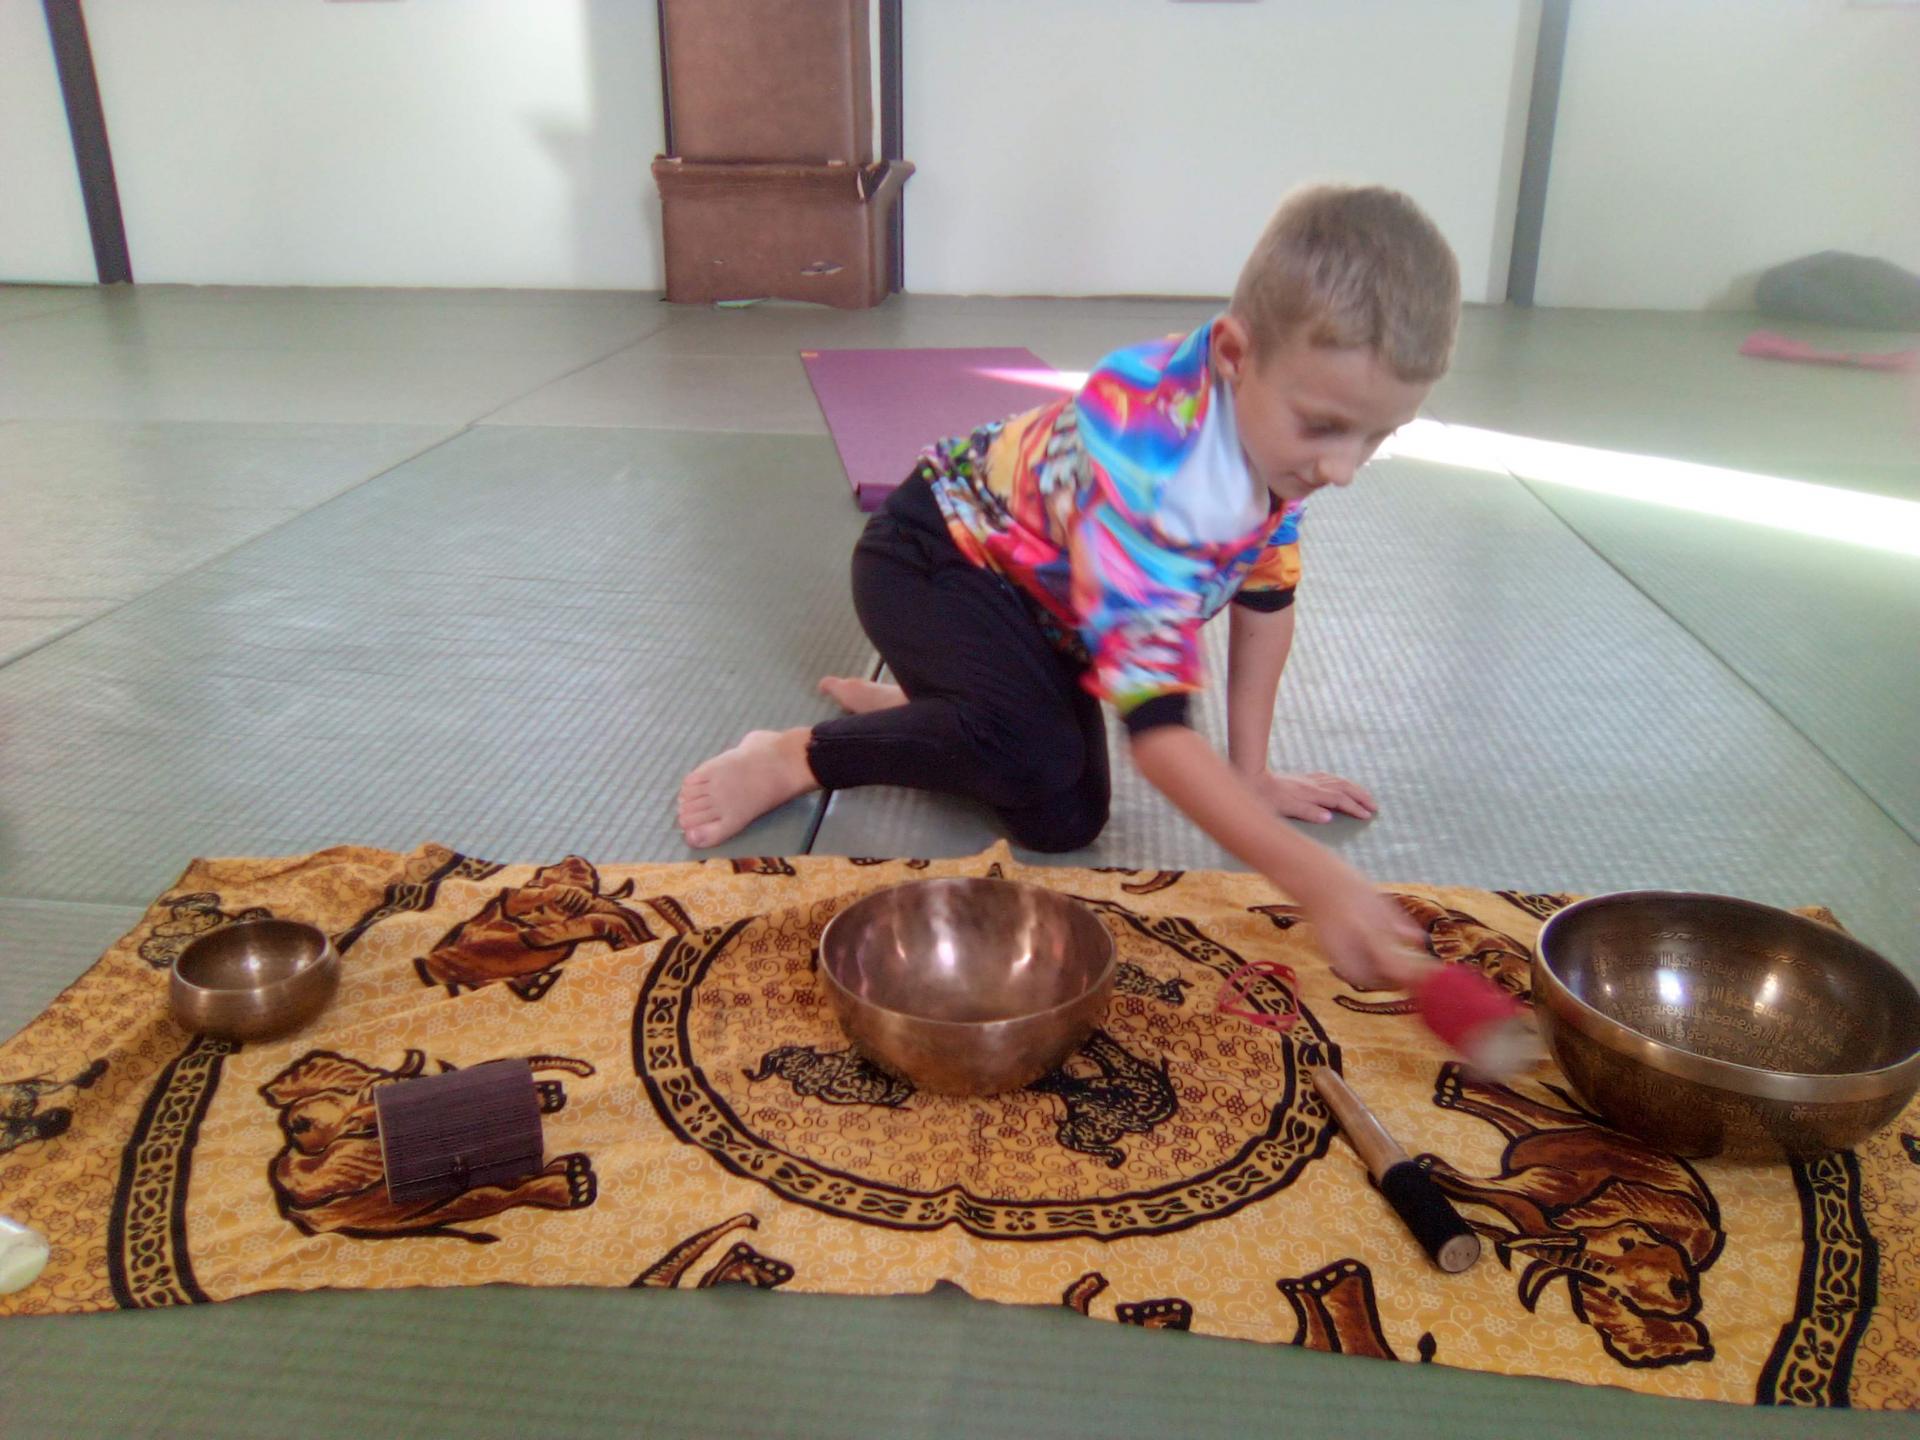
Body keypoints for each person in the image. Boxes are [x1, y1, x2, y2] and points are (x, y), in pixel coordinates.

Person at [679, 183, 1460, 987]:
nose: (1343, 469)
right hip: (929, 559)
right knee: (1031, 756)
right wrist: (1316, 877)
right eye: (1326, 428)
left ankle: (945, 712)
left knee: (1065, 820)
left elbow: (1266, 598)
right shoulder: (1153, 463)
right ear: (1233, 355)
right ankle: (794, 756)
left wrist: (1252, 777)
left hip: (1046, 615)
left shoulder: (1270, 425)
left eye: (1379, 435)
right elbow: (1158, 737)